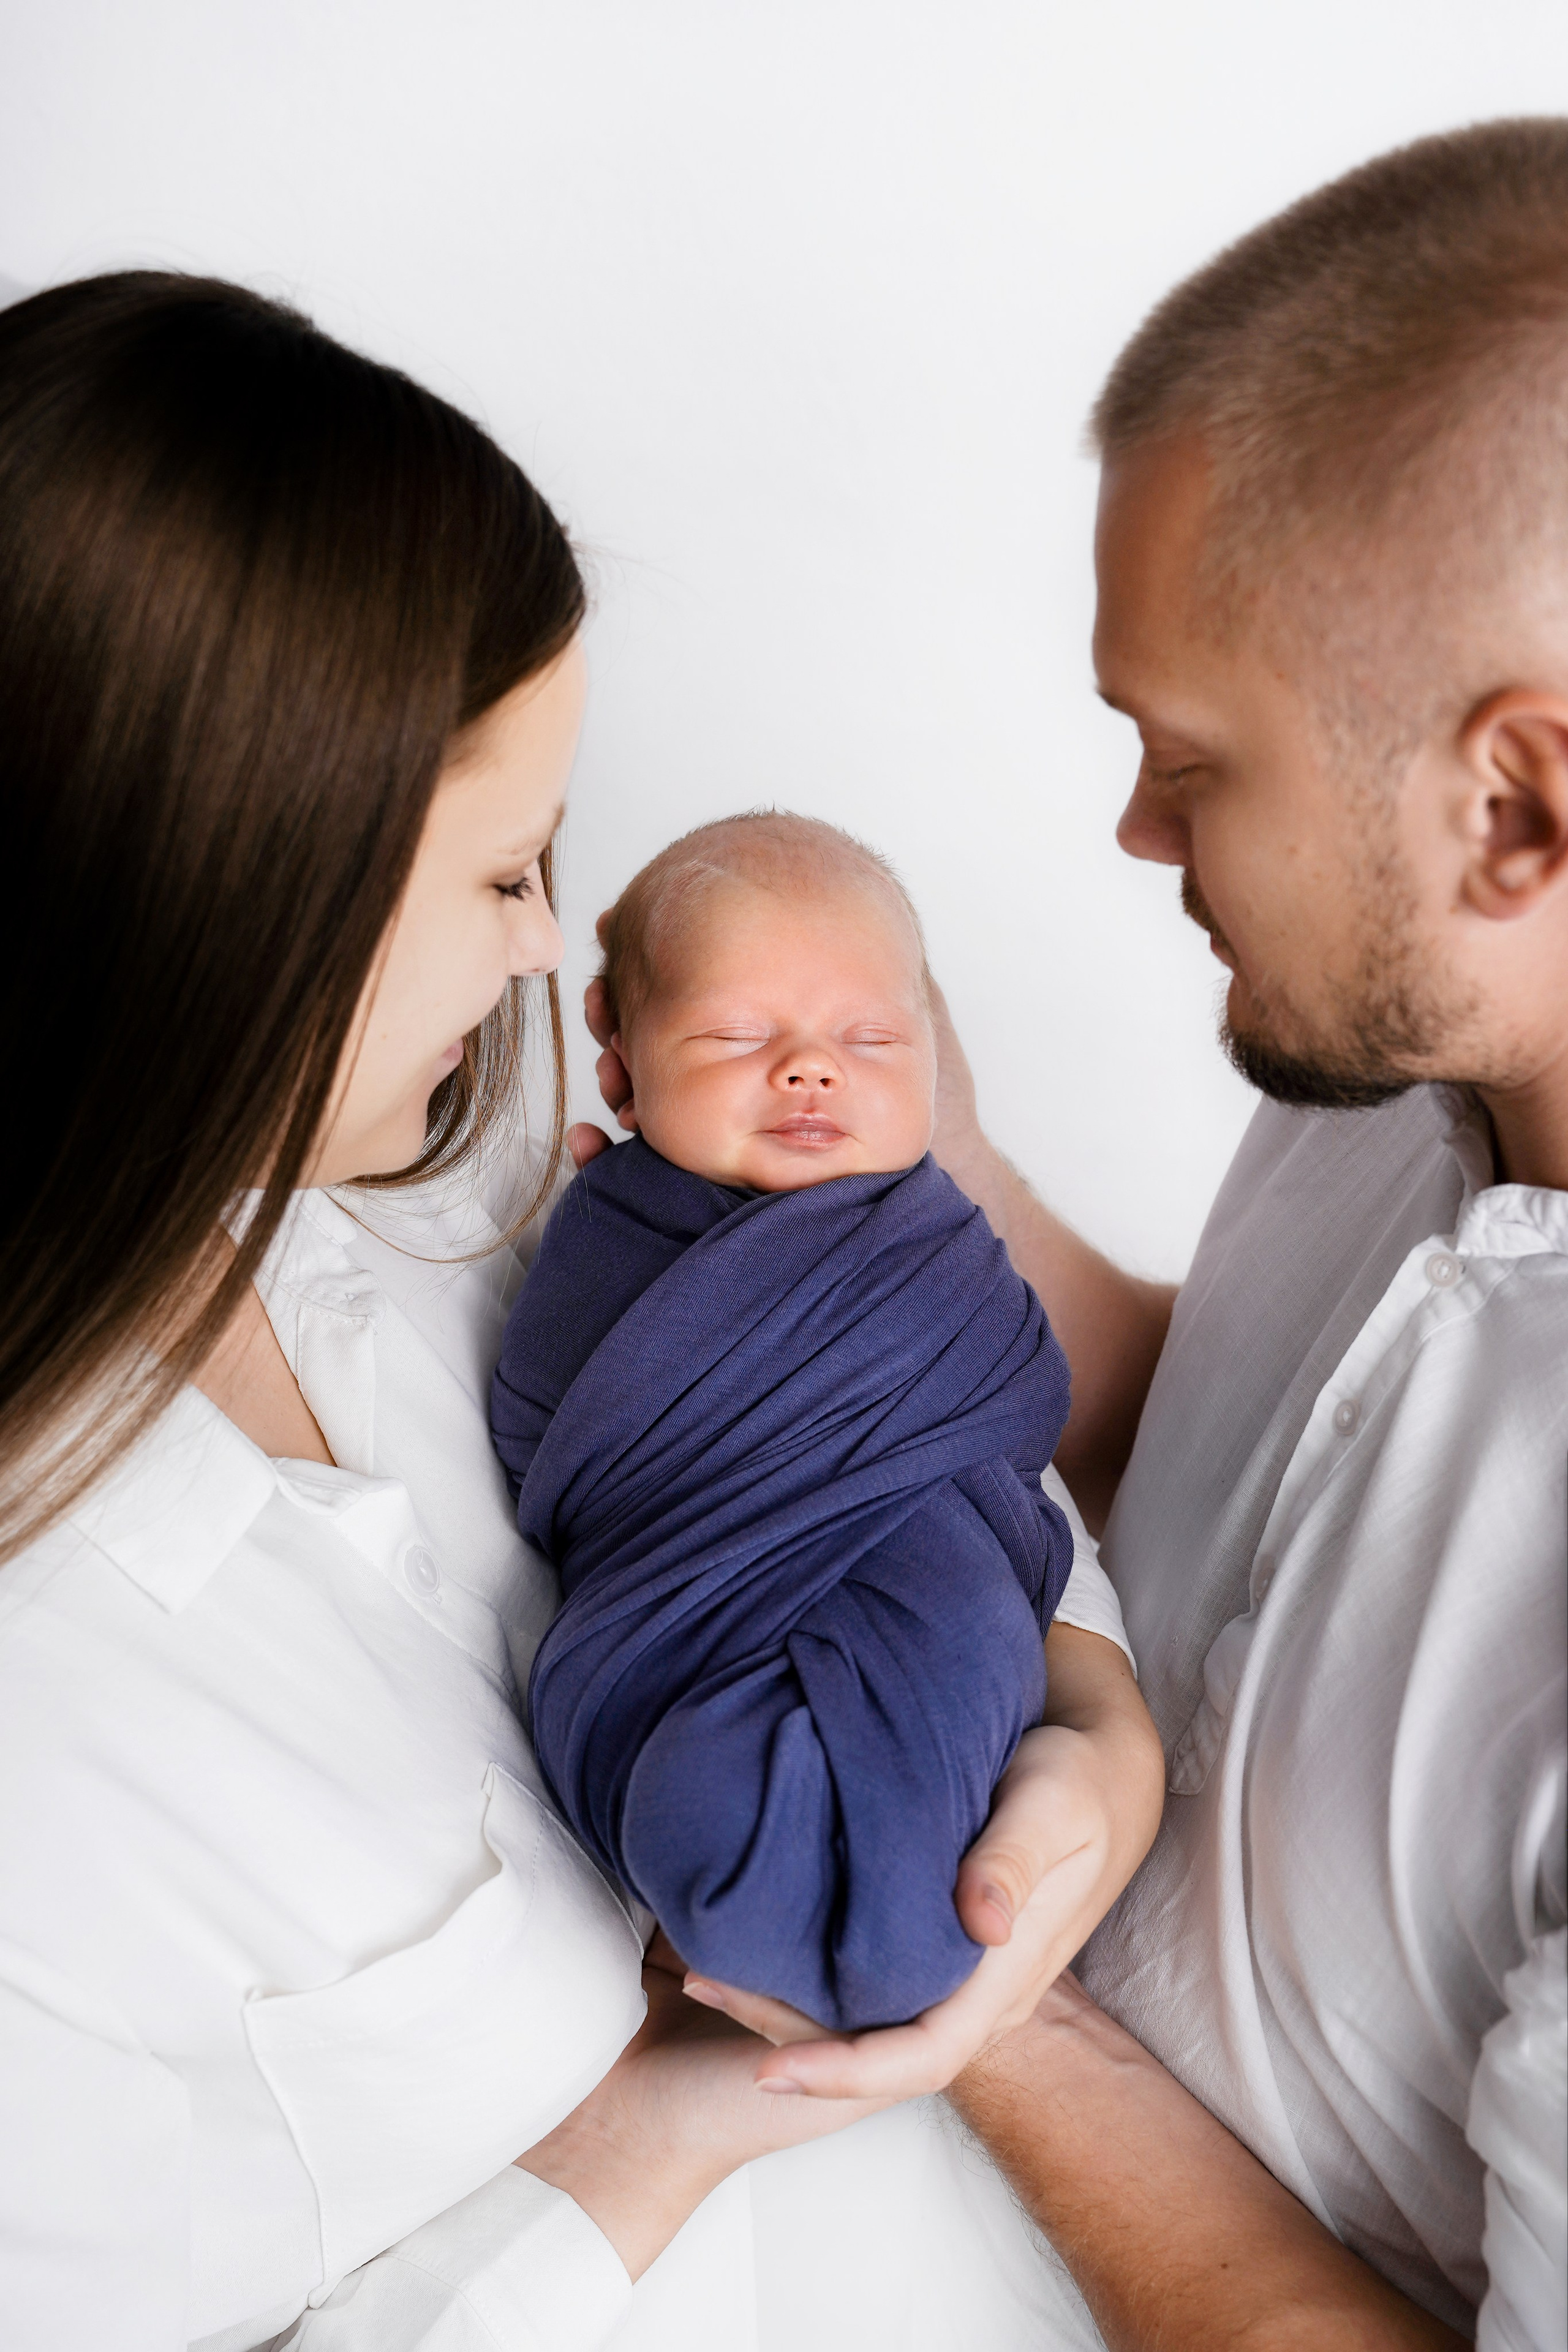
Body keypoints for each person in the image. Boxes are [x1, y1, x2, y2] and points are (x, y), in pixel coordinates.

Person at [0, 271, 1162, 2351]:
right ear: (235, 896)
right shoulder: (53, 1711)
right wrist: (668, 2128)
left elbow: (880, 1447)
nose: (546, 957)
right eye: (510, 872)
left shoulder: (472, 1232)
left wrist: (1096, 1720)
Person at [668, 119, 1566, 2352]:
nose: (1136, 826)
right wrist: (911, 1152)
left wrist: (987, 2009)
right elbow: (1263, 1469)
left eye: (1196, 758)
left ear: (1520, 806)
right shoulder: (1416, 1069)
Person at [492, 812, 1139, 2033]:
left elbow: (1004, 1411)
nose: (808, 1070)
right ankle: (802, 1896)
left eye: (871, 1040)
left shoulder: (933, 1243)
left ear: (934, 1060)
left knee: (958, 1640)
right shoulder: (599, 1230)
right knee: (693, 1794)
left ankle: (892, 1911)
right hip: (693, 1612)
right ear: (615, 1046)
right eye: (737, 1036)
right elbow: (550, 1438)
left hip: (915, 1575)